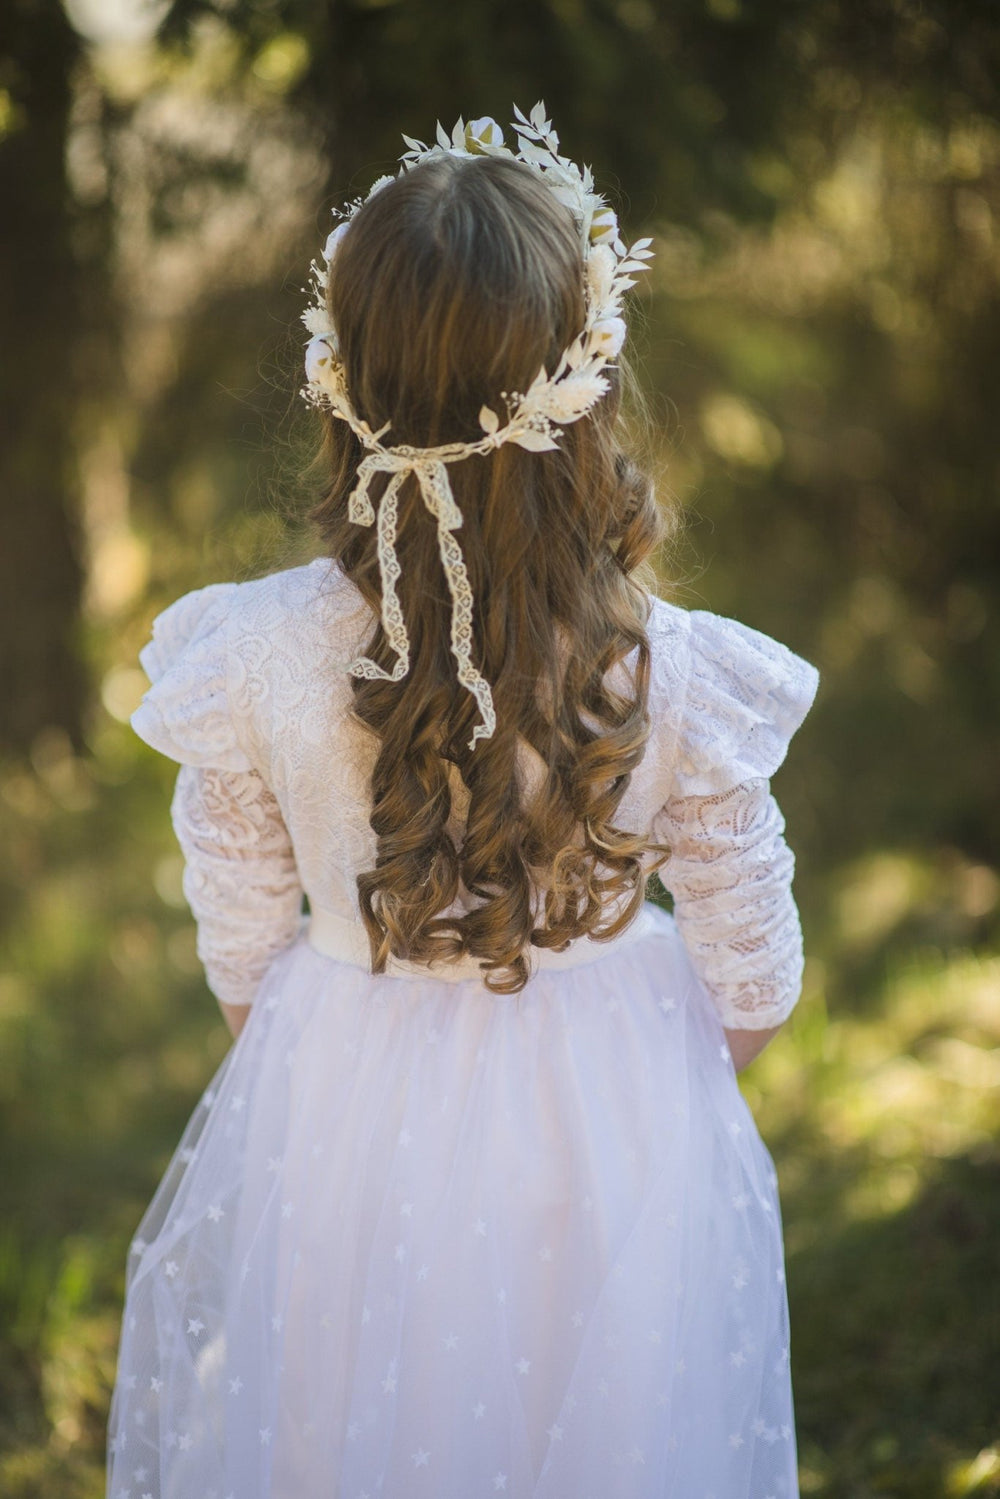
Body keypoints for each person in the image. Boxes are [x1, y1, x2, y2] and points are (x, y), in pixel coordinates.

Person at [106, 107, 818, 1499]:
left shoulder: (251, 655)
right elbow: (759, 977)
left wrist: (335, 1060)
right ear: (591, 386)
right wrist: (639, 1096)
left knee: (343, 1427)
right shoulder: (673, 674)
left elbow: (240, 941)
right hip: (613, 1120)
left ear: (340, 380)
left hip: (339, 1105)